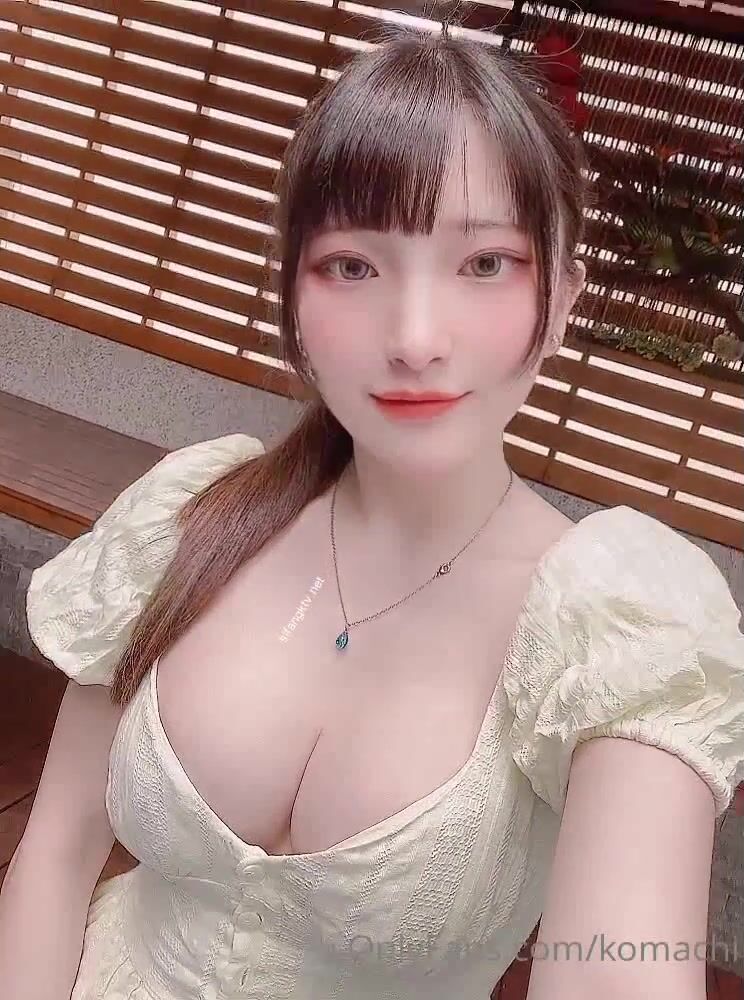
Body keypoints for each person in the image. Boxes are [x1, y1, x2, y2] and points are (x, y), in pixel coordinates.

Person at [2, 21, 743, 1000]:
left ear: (564, 297)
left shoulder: (618, 625)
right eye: (353, 265)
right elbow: (56, 854)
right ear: (292, 294)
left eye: (485, 264)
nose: (415, 337)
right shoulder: (191, 519)